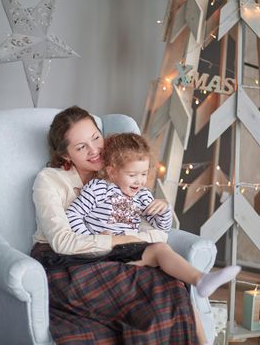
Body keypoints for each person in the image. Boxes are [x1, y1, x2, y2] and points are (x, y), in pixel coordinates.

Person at [31, 106, 203, 344]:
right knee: (151, 289)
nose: (94, 150)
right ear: (65, 155)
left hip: (115, 256)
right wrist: (125, 241)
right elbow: (63, 241)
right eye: (81, 147)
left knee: (173, 285)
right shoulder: (49, 180)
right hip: (66, 262)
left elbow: (146, 227)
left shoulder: (119, 171)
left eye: (96, 138)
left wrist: (159, 211)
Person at [65, 133, 241, 298]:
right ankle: (200, 279)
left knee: (161, 249)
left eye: (143, 174)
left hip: (128, 253)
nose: (139, 181)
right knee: (159, 251)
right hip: (100, 253)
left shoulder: (143, 195)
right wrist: (94, 239)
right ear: (112, 172)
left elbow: (162, 228)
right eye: (132, 175)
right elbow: (73, 215)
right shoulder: (98, 188)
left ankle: (200, 279)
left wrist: (164, 209)